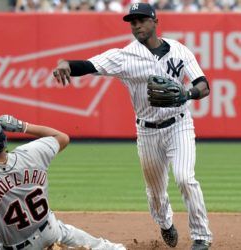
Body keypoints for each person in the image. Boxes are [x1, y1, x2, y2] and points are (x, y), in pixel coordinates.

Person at [52, 3, 212, 250]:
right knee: (156, 193)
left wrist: (187, 94)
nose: (136, 25)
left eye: (141, 20)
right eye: (132, 21)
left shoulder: (180, 50)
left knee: (185, 178)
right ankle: (165, 222)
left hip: (179, 125)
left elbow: (204, 85)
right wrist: (66, 63)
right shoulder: (124, 56)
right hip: (147, 131)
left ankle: (201, 236)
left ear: (155, 21)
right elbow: (90, 65)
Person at [0, 115, 126, 250]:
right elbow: (62, 137)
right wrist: (21, 126)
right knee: (110, 248)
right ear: (4, 139)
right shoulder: (31, 153)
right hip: (51, 232)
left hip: (17, 247)